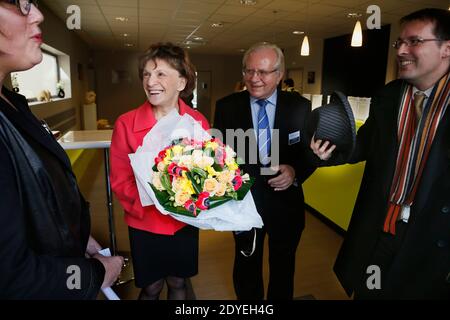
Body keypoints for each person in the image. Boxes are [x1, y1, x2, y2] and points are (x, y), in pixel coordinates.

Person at [311, 8, 450, 299]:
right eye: (399, 42)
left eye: (414, 41)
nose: (401, 50)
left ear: (446, 48)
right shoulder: (390, 96)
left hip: (432, 242)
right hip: (382, 229)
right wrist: (329, 150)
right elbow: (362, 145)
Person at [0, 0, 124, 299]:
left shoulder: (12, 103)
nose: (39, 15)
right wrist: (95, 274)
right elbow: (13, 278)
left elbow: (40, 205)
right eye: (19, 3)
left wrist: (81, 239)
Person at [214, 42, 315, 299]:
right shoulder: (227, 107)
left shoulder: (300, 107)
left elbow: (309, 153)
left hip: (286, 205)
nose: (254, 79)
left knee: (283, 268)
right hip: (245, 204)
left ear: (279, 74)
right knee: (246, 266)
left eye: (263, 72)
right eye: (249, 71)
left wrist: (294, 171)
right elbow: (220, 156)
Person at [110, 43, 210, 300]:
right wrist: (151, 202)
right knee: (152, 286)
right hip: (145, 222)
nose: (150, 81)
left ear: (182, 82)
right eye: (146, 74)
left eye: (160, 74)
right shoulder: (126, 123)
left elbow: (204, 172)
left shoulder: (197, 122)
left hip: (183, 221)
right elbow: (120, 180)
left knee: (179, 282)